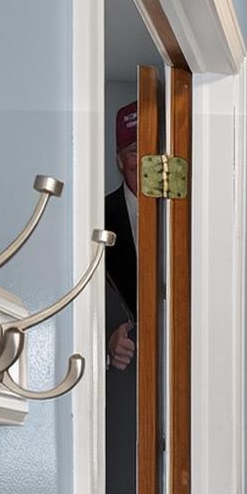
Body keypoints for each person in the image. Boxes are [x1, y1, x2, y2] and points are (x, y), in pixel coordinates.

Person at [103, 101, 144, 371]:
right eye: (134, 151)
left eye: (153, 150)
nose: (144, 162)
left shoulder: (191, 218)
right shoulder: (98, 216)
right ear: (119, 161)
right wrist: (107, 339)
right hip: (128, 373)